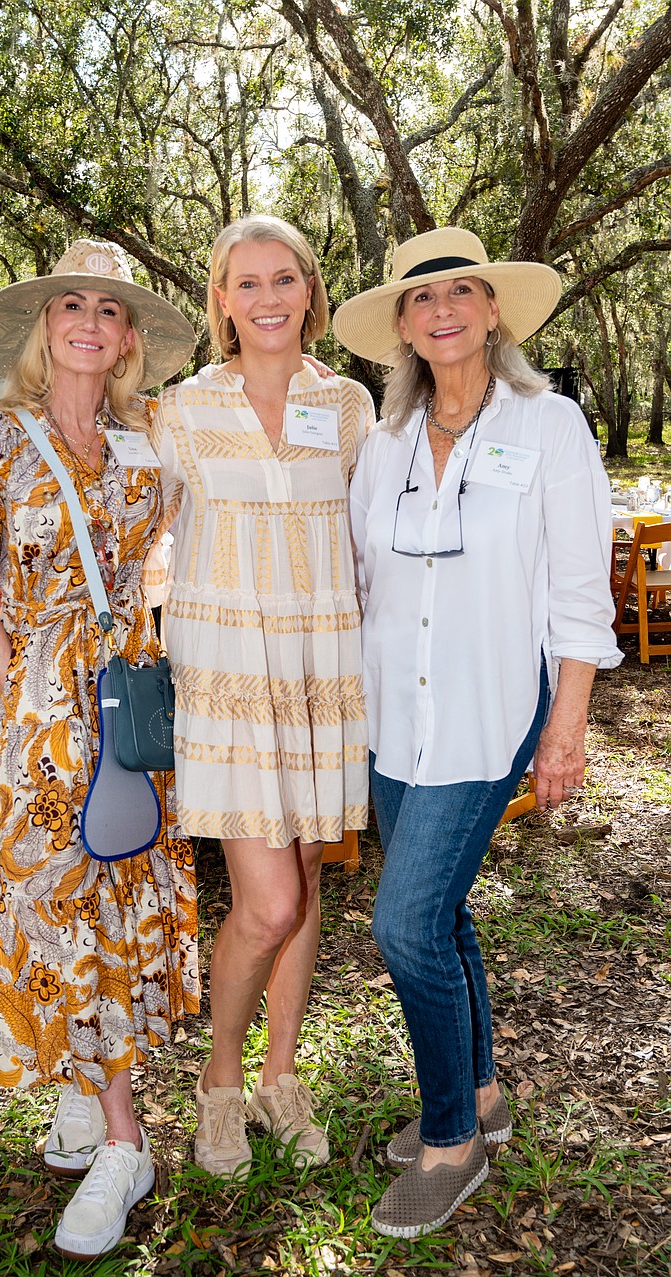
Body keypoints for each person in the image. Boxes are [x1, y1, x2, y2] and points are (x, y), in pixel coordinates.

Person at [332, 227, 622, 1237]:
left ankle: (450, 1140)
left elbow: (582, 591)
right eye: (421, 298)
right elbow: (364, 584)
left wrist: (567, 727)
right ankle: (486, 1095)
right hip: (394, 718)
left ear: (493, 310)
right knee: (443, 915)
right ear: (404, 326)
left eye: (461, 291)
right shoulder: (384, 444)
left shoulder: (551, 428)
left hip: (493, 710)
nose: (441, 309)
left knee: (403, 923)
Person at [0, 240, 199, 1259]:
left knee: (115, 891)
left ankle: (103, 1111)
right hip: (45, 711)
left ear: (129, 335)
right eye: (71, 305)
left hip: (132, 701)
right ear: (45, 327)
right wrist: (23, 706)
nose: (90, 320)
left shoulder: (147, 437)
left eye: (109, 308)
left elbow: (167, 557)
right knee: (55, 900)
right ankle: (121, 1137)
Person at [151, 215, 375, 1179]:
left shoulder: (354, 405)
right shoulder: (183, 411)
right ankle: (220, 1080)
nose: (268, 297)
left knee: (308, 882)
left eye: (284, 278)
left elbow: (376, 538)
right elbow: (135, 530)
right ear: (220, 300)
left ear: (310, 290)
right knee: (267, 899)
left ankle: (283, 1078)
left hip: (326, 673)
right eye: (246, 282)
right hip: (229, 680)